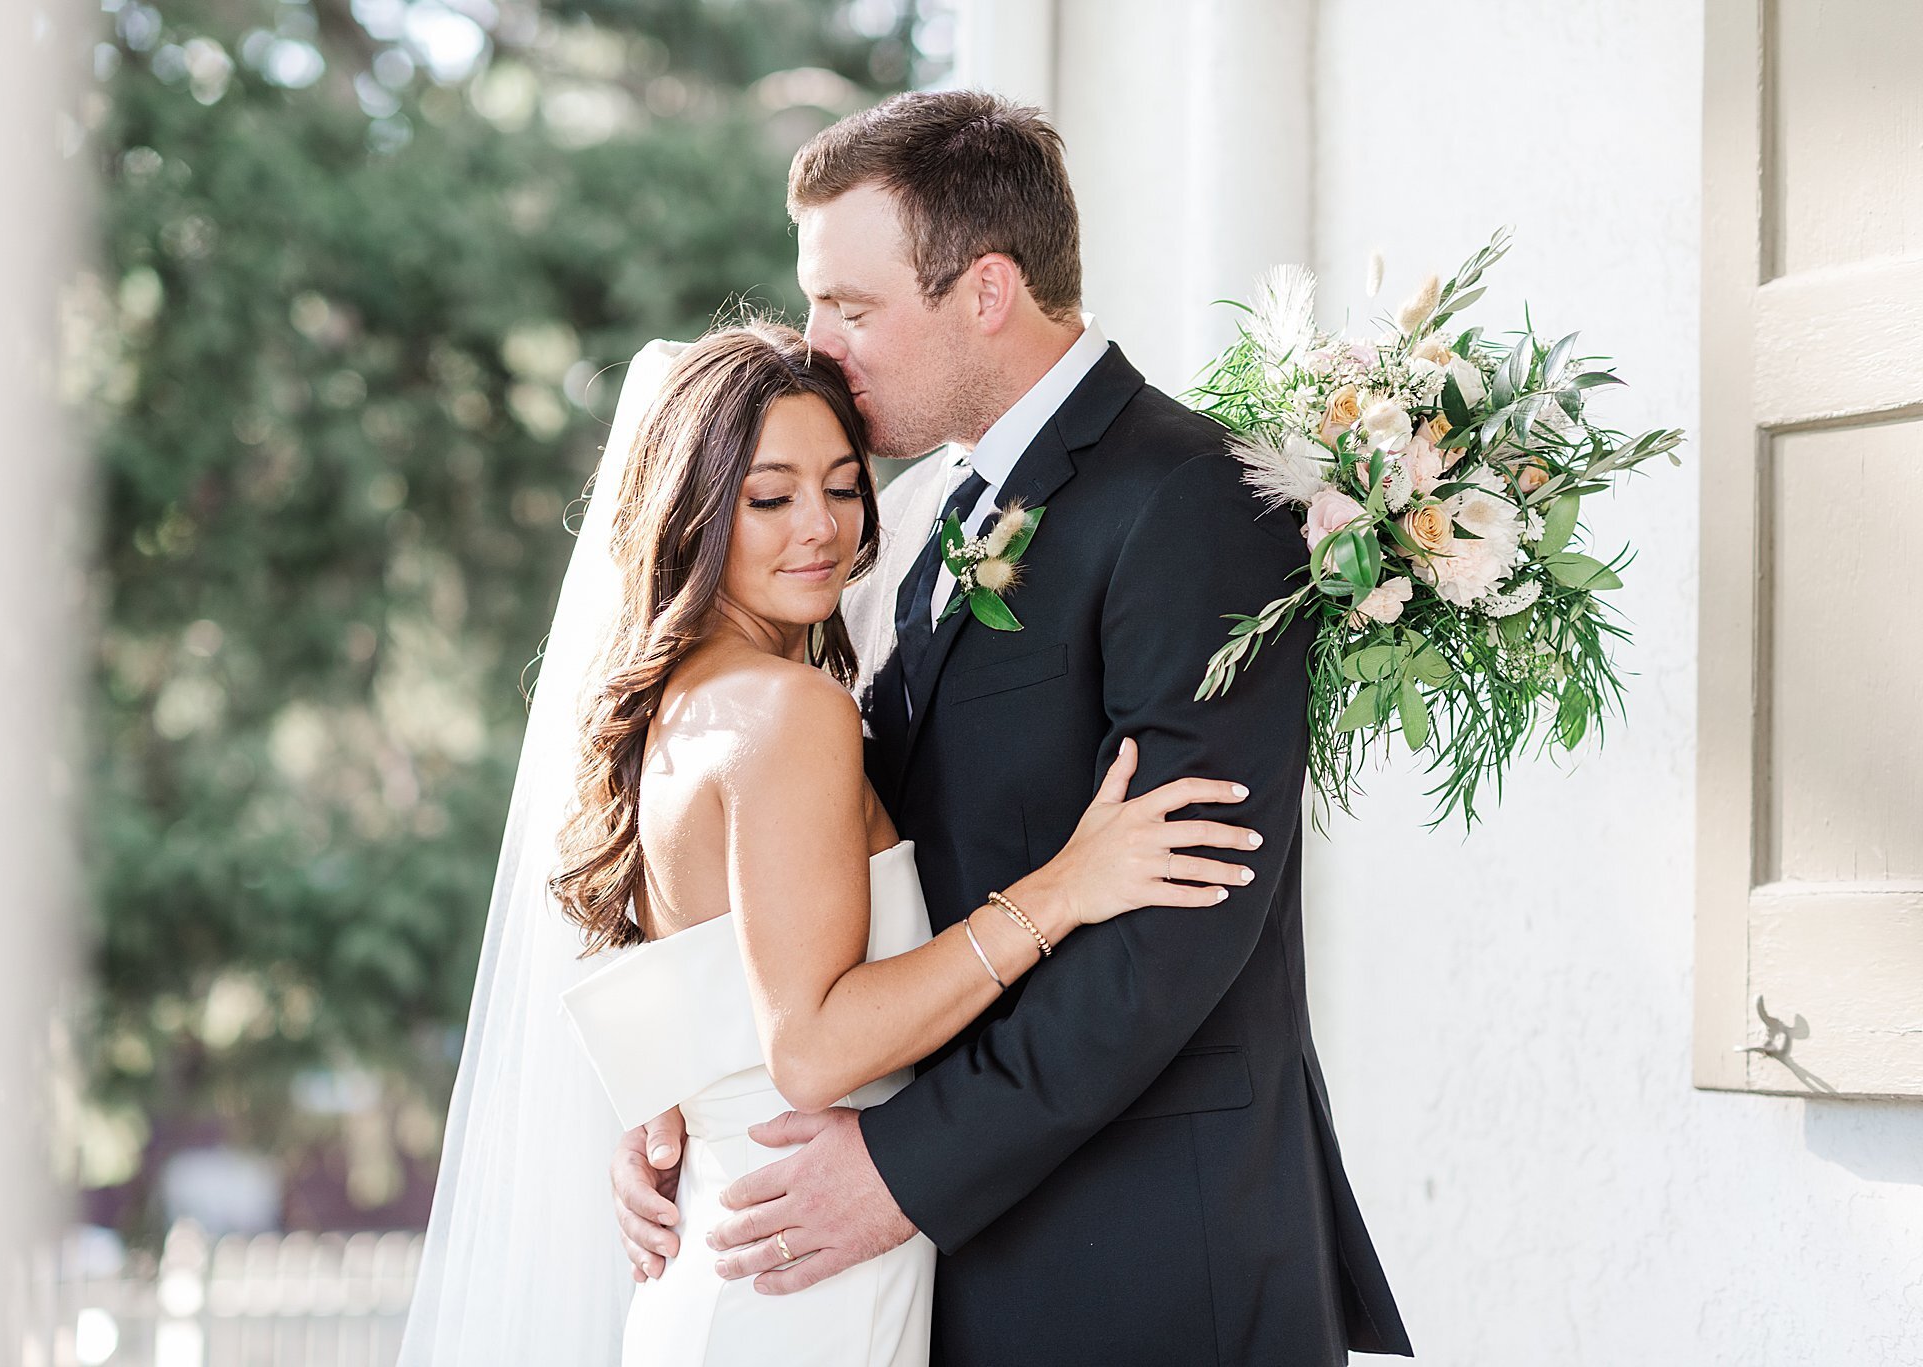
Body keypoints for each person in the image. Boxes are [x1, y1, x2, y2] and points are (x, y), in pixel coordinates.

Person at [608, 91, 1414, 1366]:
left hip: (1143, 1259)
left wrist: (899, 1167)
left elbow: (1176, 926)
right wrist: (690, 1093)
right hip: (941, 1256)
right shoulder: (916, 513)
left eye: (851, 306)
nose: (818, 343)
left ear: (984, 291)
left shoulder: (1190, 496)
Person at [555, 321, 1259, 1367]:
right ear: (691, 509)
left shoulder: (682, 709)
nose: (820, 529)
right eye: (769, 496)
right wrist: (1061, 890)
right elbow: (812, 1050)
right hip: (798, 1279)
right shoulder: (788, 711)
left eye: (844, 486)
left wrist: (667, 1118)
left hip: (744, 1247)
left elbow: (701, 988)